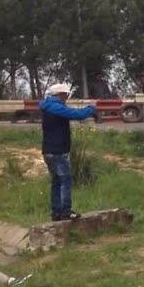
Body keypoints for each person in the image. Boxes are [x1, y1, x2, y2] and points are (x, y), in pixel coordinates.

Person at [40, 83, 96, 222]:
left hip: (48, 150)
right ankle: (65, 211)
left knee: (56, 181)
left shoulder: (47, 106)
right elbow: (76, 114)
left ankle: (56, 212)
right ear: (60, 95)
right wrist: (91, 108)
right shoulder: (56, 107)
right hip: (58, 150)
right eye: (66, 94)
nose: (67, 97)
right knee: (66, 180)